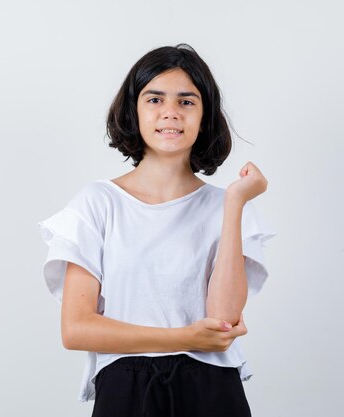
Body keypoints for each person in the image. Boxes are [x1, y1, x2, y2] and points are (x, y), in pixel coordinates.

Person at [37, 43, 276, 417]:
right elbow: (76, 328)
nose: (170, 113)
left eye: (186, 101)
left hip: (212, 387)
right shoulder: (97, 203)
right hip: (126, 385)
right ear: (134, 110)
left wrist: (234, 203)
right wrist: (184, 338)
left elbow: (224, 319)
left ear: (205, 116)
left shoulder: (227, 205)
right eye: (154, 99)